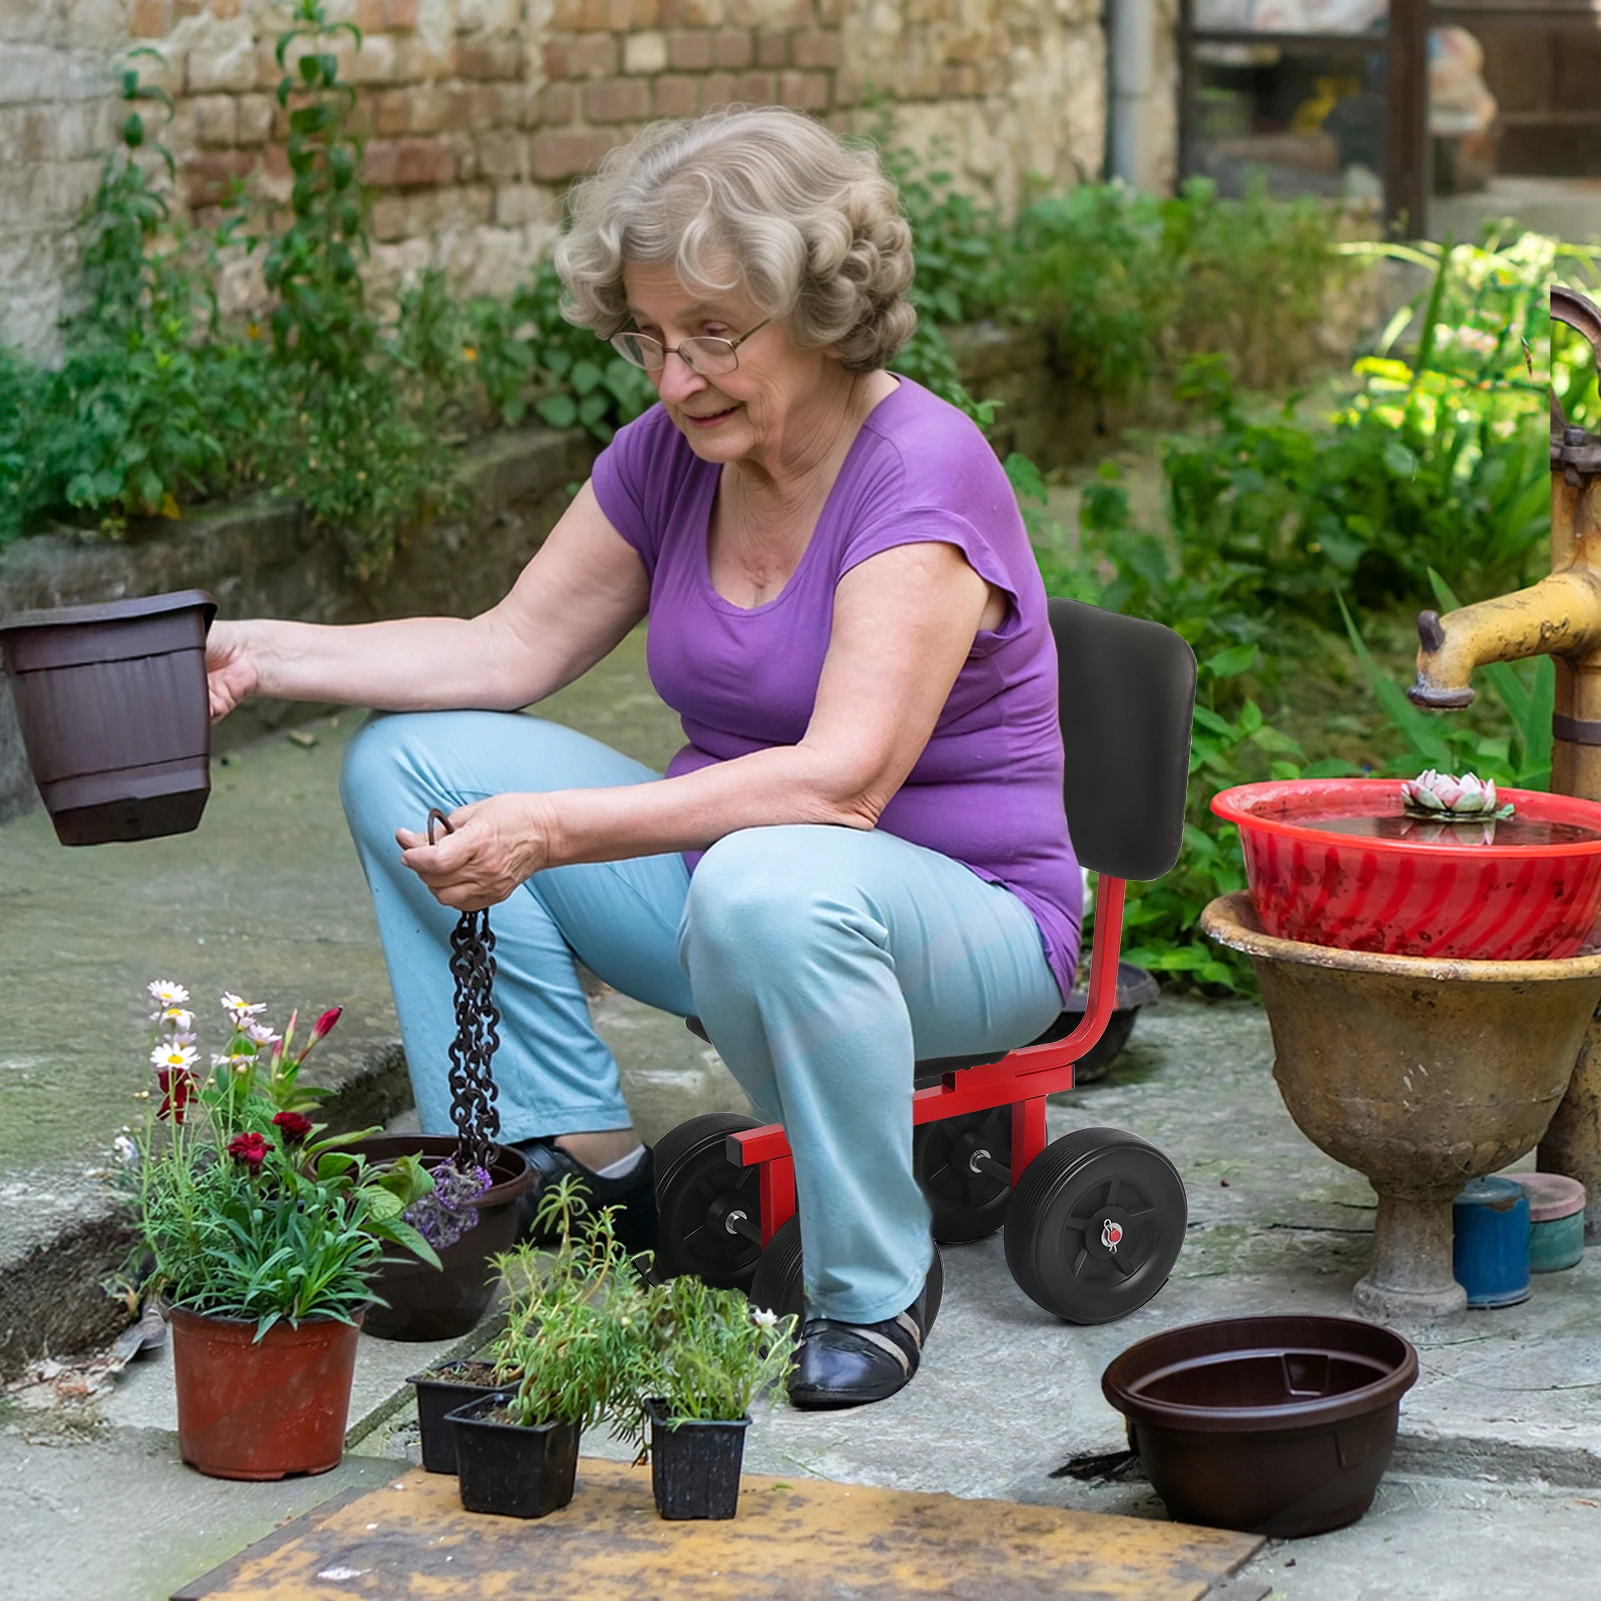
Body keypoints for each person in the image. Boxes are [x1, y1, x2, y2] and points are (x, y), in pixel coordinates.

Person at [204, 106, 1081, 1410]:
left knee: (766, 881)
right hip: (743, 887)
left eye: (715, 339)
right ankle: (577, 1155)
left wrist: (552, 831)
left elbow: (840, 786)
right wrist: (257, 652)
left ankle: (874, 1280)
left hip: (963, 927)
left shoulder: (920, 479)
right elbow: (505, 648)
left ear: (825, 312)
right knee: (408, 765)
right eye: (652, 341)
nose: (676, 381)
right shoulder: (675, 457)